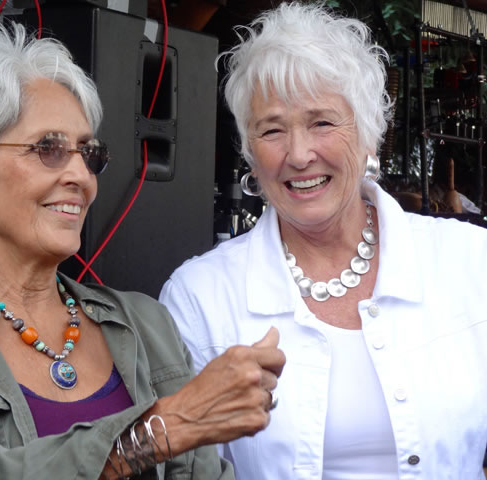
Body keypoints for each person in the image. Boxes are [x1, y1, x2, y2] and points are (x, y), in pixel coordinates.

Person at [0, 23, 286, 480]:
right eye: (49, 149)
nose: (82, 177)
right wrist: (162, 431)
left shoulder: (146, 323)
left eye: (88, 153)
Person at [159, 3, 487, 479]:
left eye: (322, 123)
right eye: (272, 130)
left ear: (369, 134)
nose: (298, 154)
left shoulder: (469, 261)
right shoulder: (200, 297)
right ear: (250, 155)